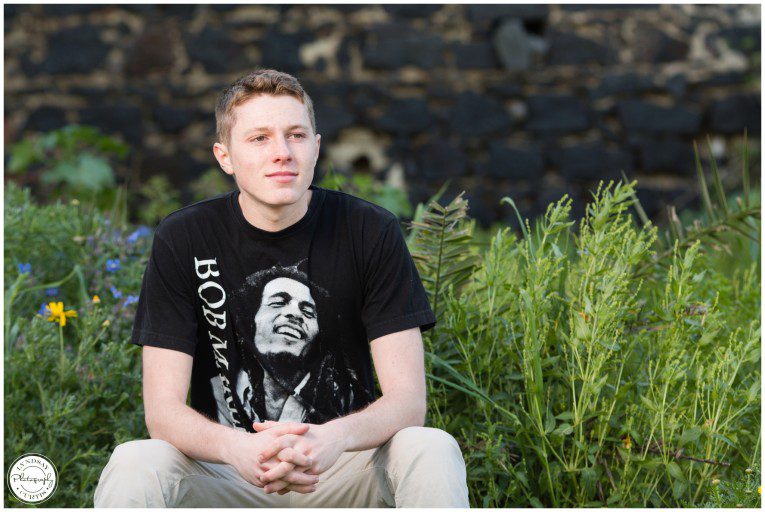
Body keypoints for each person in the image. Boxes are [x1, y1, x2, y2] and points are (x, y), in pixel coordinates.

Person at [93, 69, 469, 507]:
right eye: (259, 139)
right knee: (138, 460)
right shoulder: (184, 237)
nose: (282, 153)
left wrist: (332, 438)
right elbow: (163, 413)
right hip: (228, 473)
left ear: (316, 147)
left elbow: (407, 401)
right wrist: (237, 448)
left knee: (430, 447)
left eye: (296, 135)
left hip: (339, 468)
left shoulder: (369, 230)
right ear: (225, 156)